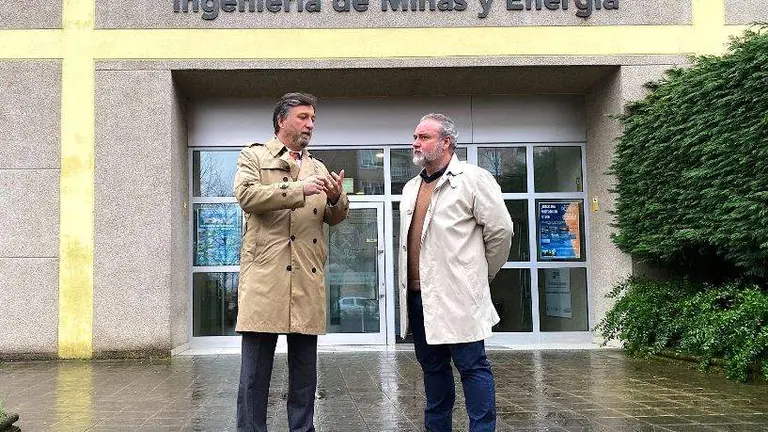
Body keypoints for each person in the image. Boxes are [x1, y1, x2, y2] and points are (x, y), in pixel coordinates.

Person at [234, 92, 349, 432]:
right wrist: (297, 188)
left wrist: (336, 197)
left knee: (304, 376)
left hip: (306, 276)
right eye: (303, 117)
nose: (310, 124)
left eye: (312, 118)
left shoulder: (319, 166)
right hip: (264, 277)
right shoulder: (254, 155)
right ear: (282, 121)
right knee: (254, 376)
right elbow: (246, 196)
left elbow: (335, 216)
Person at [398, 113, 514, 432]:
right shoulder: (411, 188)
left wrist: (477, 276)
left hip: (459, 297)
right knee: (433, 371)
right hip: (419, 299)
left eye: (424, 137)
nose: (415, 143)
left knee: (472, 368)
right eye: (415, 136)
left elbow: (501, 231)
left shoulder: (473, 179)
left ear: (446, 142)